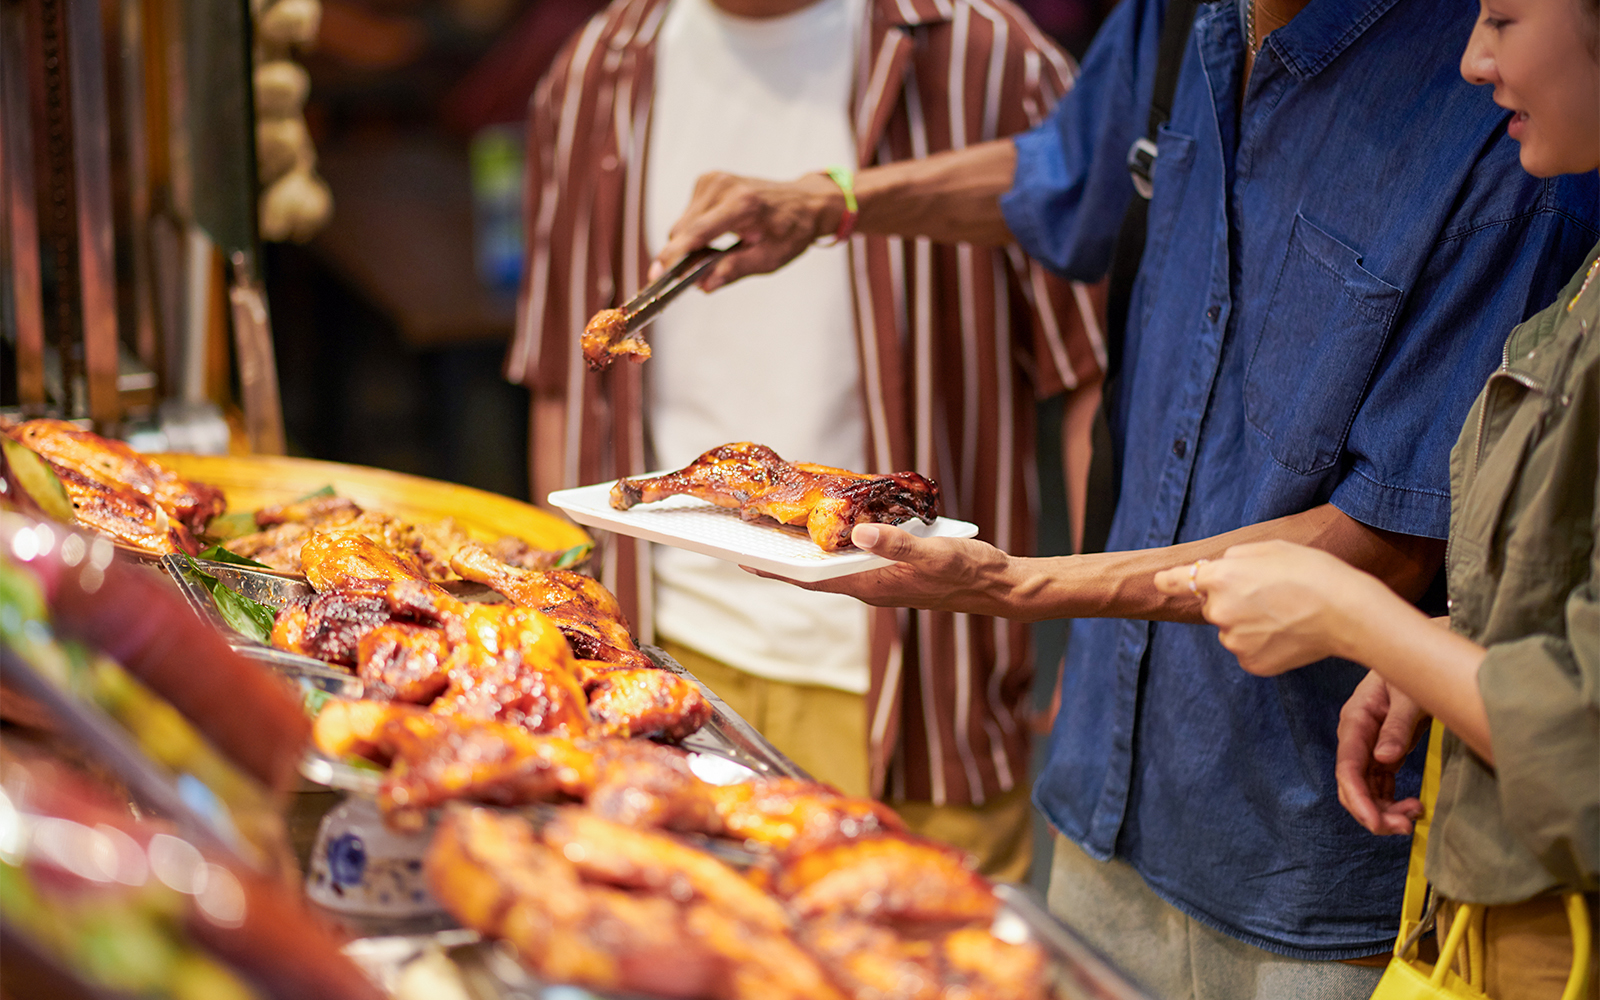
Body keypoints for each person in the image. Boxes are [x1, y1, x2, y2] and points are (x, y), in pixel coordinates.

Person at [646, 0, 1600, 993]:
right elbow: (1067, 173)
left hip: (1297, 837)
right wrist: (829, 199)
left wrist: (1026, 587)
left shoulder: (1497, 110)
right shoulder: (1179, 17)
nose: (1490, 47)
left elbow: (1389, 540)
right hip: (1103, 778)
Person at [501, 0, 1107, 879]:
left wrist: (1097, 639)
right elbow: (562, 379)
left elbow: (1093, 374)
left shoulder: (986, 57)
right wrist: (555, 623)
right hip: (658, 649)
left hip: (920, 679)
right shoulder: (600, 65)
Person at [1151, 0, 1599, 992]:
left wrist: (1364, 621)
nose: (1475, 60)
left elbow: (1582, 740)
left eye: (1506, 18)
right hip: (1476, 902)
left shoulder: (1523, 194)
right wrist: (1442, 647)